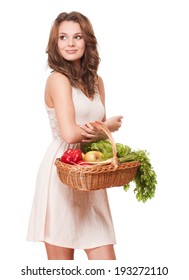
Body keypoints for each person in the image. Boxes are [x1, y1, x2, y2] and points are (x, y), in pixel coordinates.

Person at [27, 11, 123, 260]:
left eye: (77, 36)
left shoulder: (97, 82)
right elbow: (70, 133)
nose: (70, 43)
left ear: (87, 41)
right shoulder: (57, 80)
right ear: (55, 44)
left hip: (90, 173)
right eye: (63, 37)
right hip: (62, 172)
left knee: (106, 264)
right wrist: (107, 127)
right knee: (62, 269)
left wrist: (103, 131)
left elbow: (95, 134)